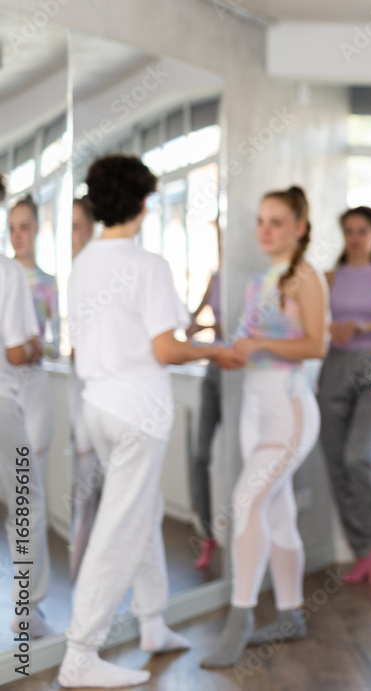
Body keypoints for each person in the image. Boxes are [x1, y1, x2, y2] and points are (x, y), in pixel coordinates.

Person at [59, 155, 243, 688]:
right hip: (137, 413)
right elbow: (165, 349)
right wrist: (216, 352)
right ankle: (78, 656)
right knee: (121, 527)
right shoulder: (147, 264)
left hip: (97, 406)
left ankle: (152, 623)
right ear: (142, 203)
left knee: (140, 512)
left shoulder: (84, 262)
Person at [200, 186, 327, 668]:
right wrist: (233, 352)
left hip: (288, 409)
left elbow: (316, 346)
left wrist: (258, 347)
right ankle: (292, 614)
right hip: (254, 408)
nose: (265, 229)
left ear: (298, 228)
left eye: (276, 221)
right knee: (277, 513)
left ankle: (241, 617)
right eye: (260, 221)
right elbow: (248, 345)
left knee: (246, 500)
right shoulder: (259, 281)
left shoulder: (304, 277)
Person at [318, 205, 371, 588]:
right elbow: (310, 317)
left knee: (357, 458)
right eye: (349, 231)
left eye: (362, 231)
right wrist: (331, 328)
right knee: (336, 465)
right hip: (334, 366)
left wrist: (360, 325)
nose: (355, 237)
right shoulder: (328, 277)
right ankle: (360, 553)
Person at [0, 175, 54, 639]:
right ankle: (28, 611)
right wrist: (37, 345)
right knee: (26, 499)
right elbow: (15, 353)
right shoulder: (7, 272)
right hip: (3, 404)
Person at [8, 196, 56, 554]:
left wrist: (41, 348)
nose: (17, 235)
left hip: (34, 387)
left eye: (24, 227)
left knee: (29, 487)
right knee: (18, 491)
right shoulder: (5, 276)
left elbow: (54, 343)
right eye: (11, 228)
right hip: (7, 387)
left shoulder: (48, 284)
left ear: (37, 228)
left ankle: (27, 593)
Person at [187, 223, 224, 571]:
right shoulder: (216, 277)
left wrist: (213, 330)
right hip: (214, 371)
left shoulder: (252, 278)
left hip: (242, 377)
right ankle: (208, 535)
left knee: (242, 458)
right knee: (200, 455)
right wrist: (192, 326)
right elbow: (195, 321)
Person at [68, 195, 101, 582]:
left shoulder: (100, 273)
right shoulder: (77, 272)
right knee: (84, 498)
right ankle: (80, 579)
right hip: (84, 401)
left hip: (106, 401)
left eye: (77, 225)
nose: (73, 235)